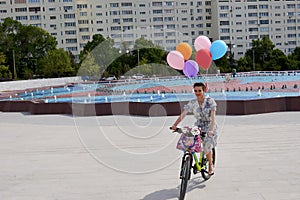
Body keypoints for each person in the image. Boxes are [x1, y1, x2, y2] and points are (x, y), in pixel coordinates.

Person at [171, 82, 218, 175]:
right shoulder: (192, 102)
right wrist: (175, 125)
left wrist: (211, 130)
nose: (197, 92)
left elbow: (213, 118)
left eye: (199, 90)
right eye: (195, 91)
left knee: (206, 145)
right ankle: (188, 162)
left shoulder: (210, 101)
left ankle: (210, 165)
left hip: (209, 126)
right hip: (199, 125)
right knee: (189, 142)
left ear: (204, 90)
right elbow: (183, 114)